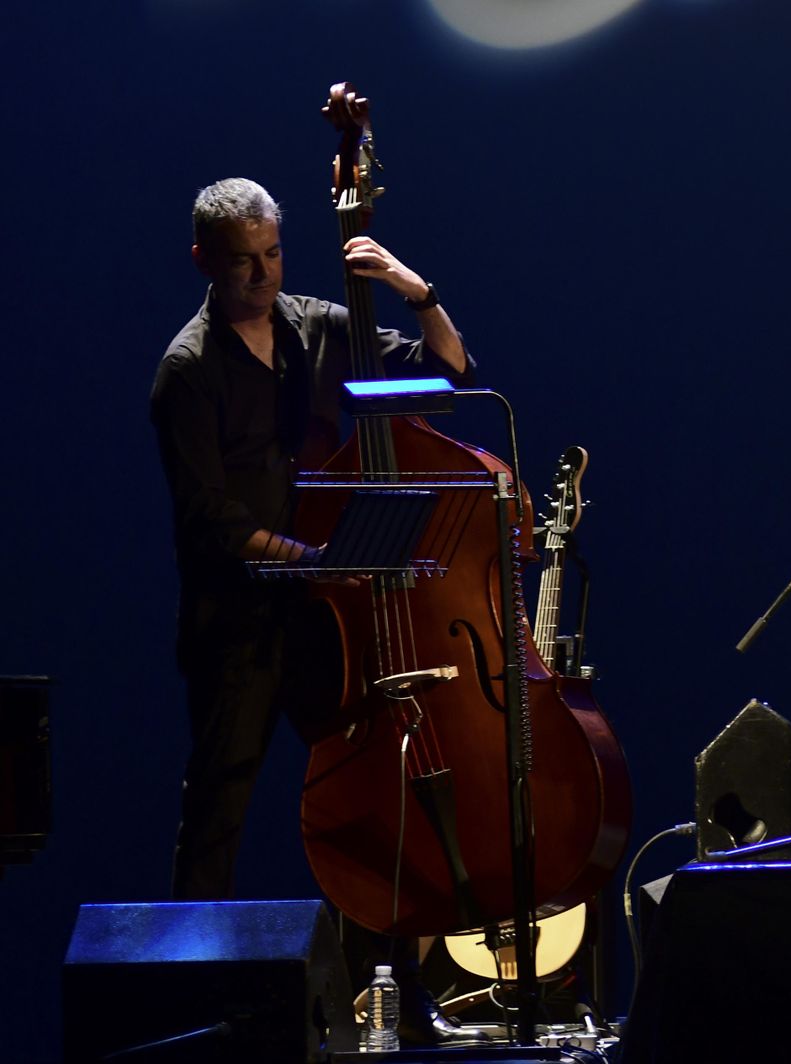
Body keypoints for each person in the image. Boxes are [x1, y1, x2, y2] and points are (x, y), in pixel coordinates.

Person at [150, 177, 481, 1044]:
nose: (261, 277)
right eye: (242, 264)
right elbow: (212, 520)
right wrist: (320, 561)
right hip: (240, 624)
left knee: (375, 794)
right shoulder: (187, 370)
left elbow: (449, 372)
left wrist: (416, 291)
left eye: (272, 257)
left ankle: (400, 998)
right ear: (204, 264)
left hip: (323, 621)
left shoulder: (317, 327)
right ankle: (192, 1012)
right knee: (220, 807)